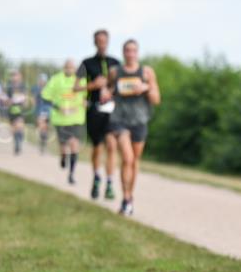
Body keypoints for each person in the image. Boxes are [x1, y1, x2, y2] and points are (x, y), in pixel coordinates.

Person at [108, 39, 161, 216]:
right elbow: (107, 92)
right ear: (123, 53)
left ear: (137, 53)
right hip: (119, 120)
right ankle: (126, 198)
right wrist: (103, 93)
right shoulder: (115, 72)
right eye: (127, 51)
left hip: (140, 120)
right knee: (127, 158)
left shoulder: (146, 72)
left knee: (135, 161)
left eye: (133, 51)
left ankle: (129, 197)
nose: (130, 54)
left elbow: (156, 99)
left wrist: (145, 87)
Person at [76, 29, 121, 200]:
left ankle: (109, 183)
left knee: (111, 145)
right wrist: (92, 86)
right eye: (99, 41)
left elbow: (121, 85)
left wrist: (111, 90)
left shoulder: (115, 63)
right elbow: (75, 87)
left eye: (104, 41)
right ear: (95, 42)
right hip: (94, 110)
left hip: (111, 110)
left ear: (108, 42)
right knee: (97, 147)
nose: (102, 44)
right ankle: (96, 177)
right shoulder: (87, 63)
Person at [41, 60, 87, 185]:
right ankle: (63, 157)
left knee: (74, 144)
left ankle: (71, 174)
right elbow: (45, 96)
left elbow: (86, 95)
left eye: (72, 68)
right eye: (68, 67)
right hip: (60, 119)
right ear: (64, 68)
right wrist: (57, 107)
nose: (70, 70)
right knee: (64, 146)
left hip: (76, 118)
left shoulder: (81, 80)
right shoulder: (56, 80)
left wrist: (85, 102)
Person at [5, 70, 30, 155]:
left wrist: (25, 102)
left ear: (20, 77)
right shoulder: (9, 87)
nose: (14, 78)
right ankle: (16, 144)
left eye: (16, 76)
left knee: (19, 126)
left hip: (20, 110)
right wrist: (9, 102)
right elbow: (6, 100)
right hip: (11, 110)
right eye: (13, 76)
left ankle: (19, 141)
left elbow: (26, 98)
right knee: (13, 129)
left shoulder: (23, 87)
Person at [32, 73, 51, 153]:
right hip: (39, 109)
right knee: (42, 127)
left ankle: (43, 143)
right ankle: (43, 141)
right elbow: (34, 99)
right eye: (40, 80)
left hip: (47, 109)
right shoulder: (36, 88)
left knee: (42, 125)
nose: (41, 82)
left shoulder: (49, 89)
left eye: (43, 80)